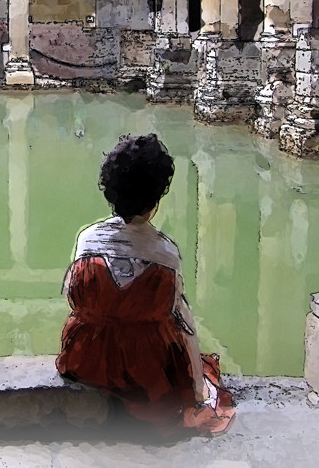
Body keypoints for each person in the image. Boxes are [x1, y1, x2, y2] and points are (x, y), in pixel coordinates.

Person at [56, 133, 235, 436]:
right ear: (156, 198)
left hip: (85, 359)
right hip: (147, 369)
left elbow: (73, 299)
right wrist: (196, 389)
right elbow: (184, 324)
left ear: (110, 192)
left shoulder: (86, 240)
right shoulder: (166, 254)